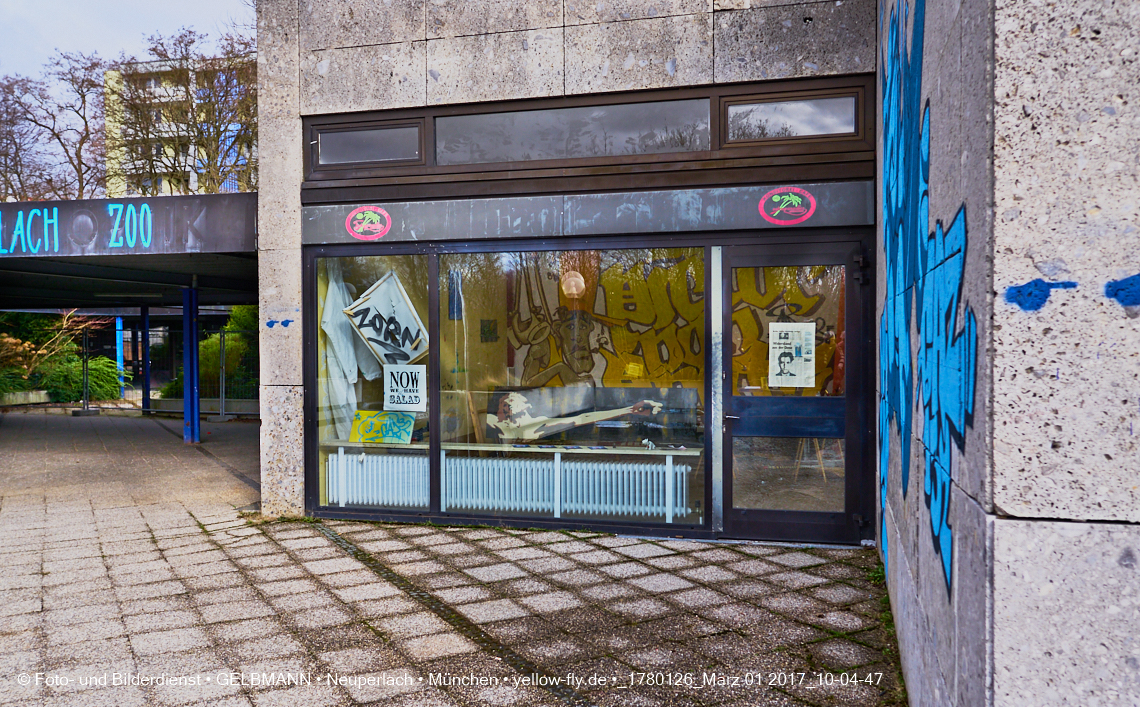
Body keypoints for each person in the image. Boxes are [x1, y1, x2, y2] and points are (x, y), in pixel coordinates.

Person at [487, 390, 662, 442]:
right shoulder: (494, 422)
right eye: (505, 404)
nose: (507, 406)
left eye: (511, 401)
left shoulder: (537, 425)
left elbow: (582, 418)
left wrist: (629, 410)